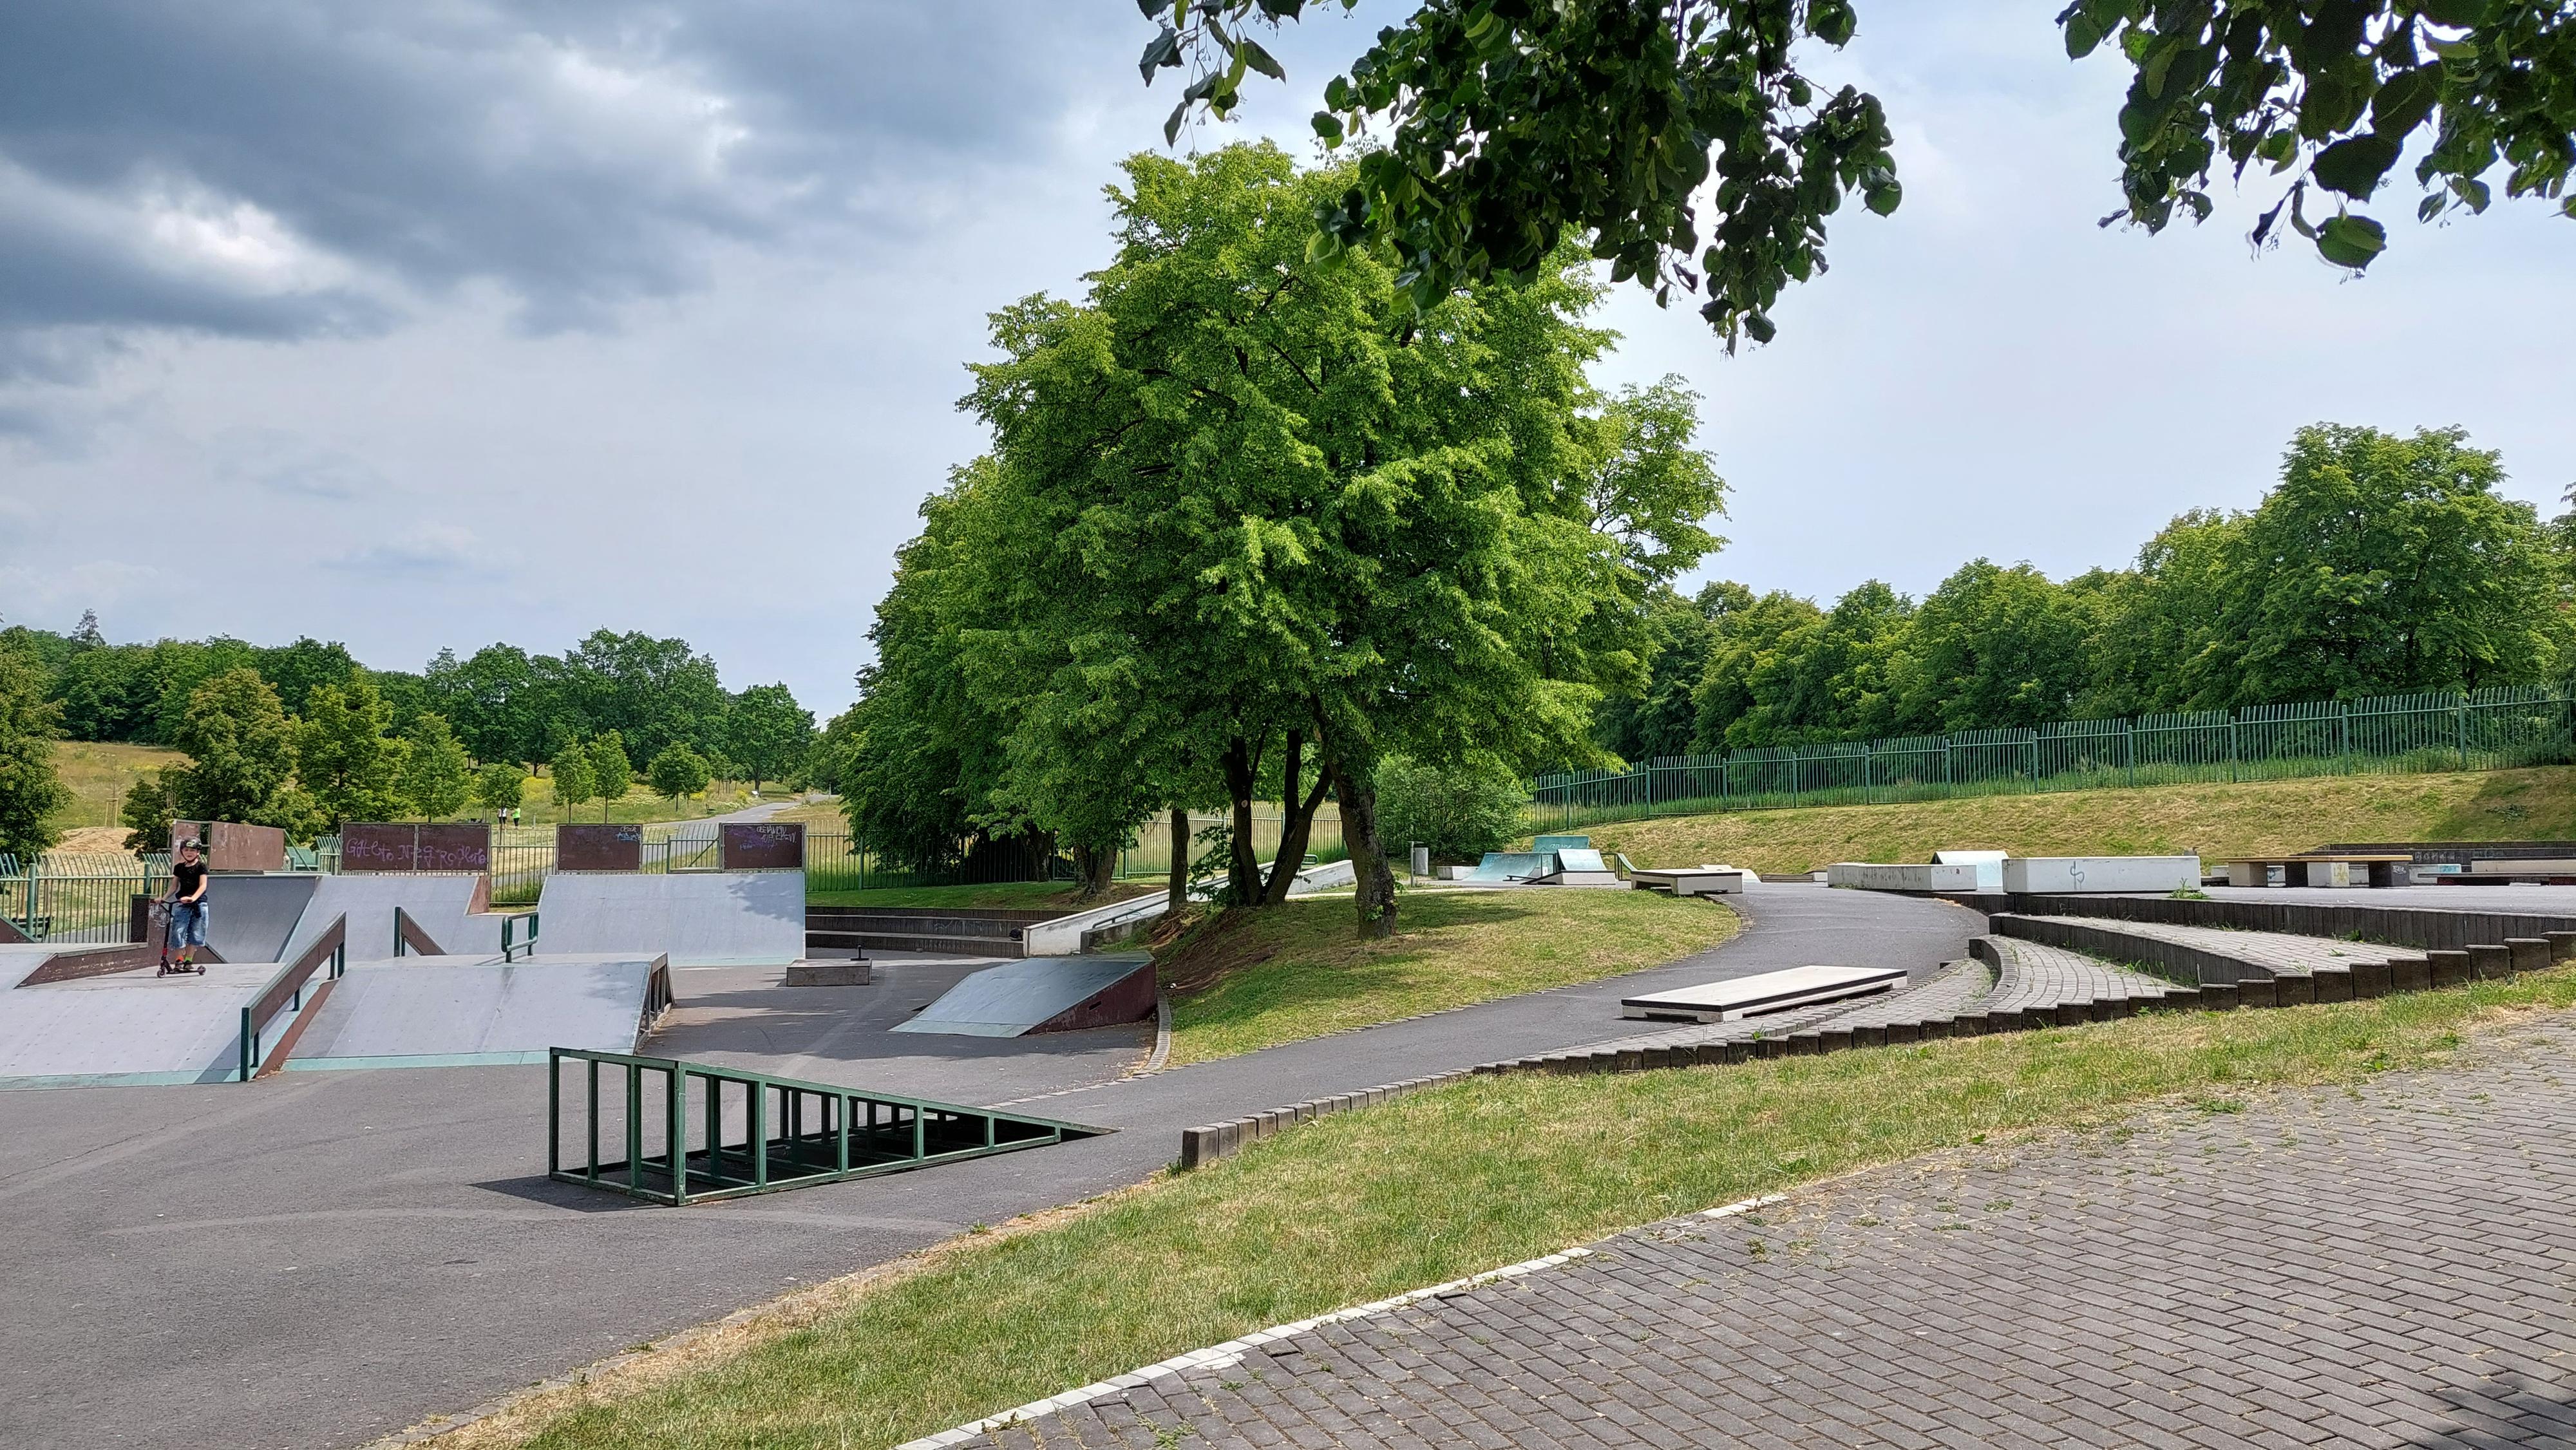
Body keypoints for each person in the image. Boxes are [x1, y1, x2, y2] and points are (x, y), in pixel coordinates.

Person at [162, 840, 210, 976]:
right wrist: (164, 898)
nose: (189, 853)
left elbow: (203, 886)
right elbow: (174, 886)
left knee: (196, 932)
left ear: (198, 852)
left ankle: (189, 960)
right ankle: (179, 960)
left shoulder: (201, 867)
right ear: (182, 852)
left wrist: (193, 898)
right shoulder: (179, 868)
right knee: (178, 930)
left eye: (192, 850)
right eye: (186, 850)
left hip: (199, 904)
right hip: (183, 904)